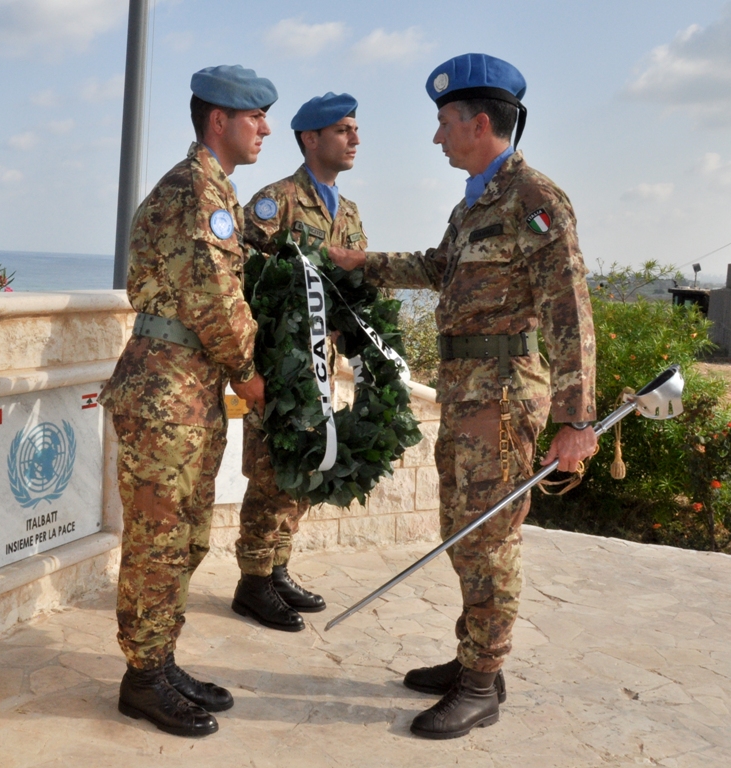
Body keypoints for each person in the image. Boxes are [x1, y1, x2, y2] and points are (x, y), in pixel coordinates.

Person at [329, 53, 597, 740]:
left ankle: (481, 685)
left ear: (479, 123)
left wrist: (576, 419)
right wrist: (363, 264)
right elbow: (439, 265)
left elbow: (568, 309)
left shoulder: (533, 198)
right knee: (463, 532)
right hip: (467, 396)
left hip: (504, 400)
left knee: (489, 540)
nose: (435, 137)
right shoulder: (476, 200)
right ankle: (474, 658)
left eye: (443, 123)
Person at [98, 64, 277, 737]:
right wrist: (248, 371)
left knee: (187, 535)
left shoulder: (207, 187)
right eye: (254, 116)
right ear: (218, 121)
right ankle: (141, 679)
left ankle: (159, 658)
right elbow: (213, 299)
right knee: (159, 537)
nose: (263, 129)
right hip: (168, 387)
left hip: (187, 384)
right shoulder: (196, 190)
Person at [231, 92, 368, 632]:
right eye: (343, 130)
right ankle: (252, 582)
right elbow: (238, 267)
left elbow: (355, 284)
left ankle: (278, 568)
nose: (355, 139)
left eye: (355, 130)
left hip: (322, 366)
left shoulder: (349, 212)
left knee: (308, 465)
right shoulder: (276, 201)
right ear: (310, 139)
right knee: (270, 473)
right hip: (280, 365)